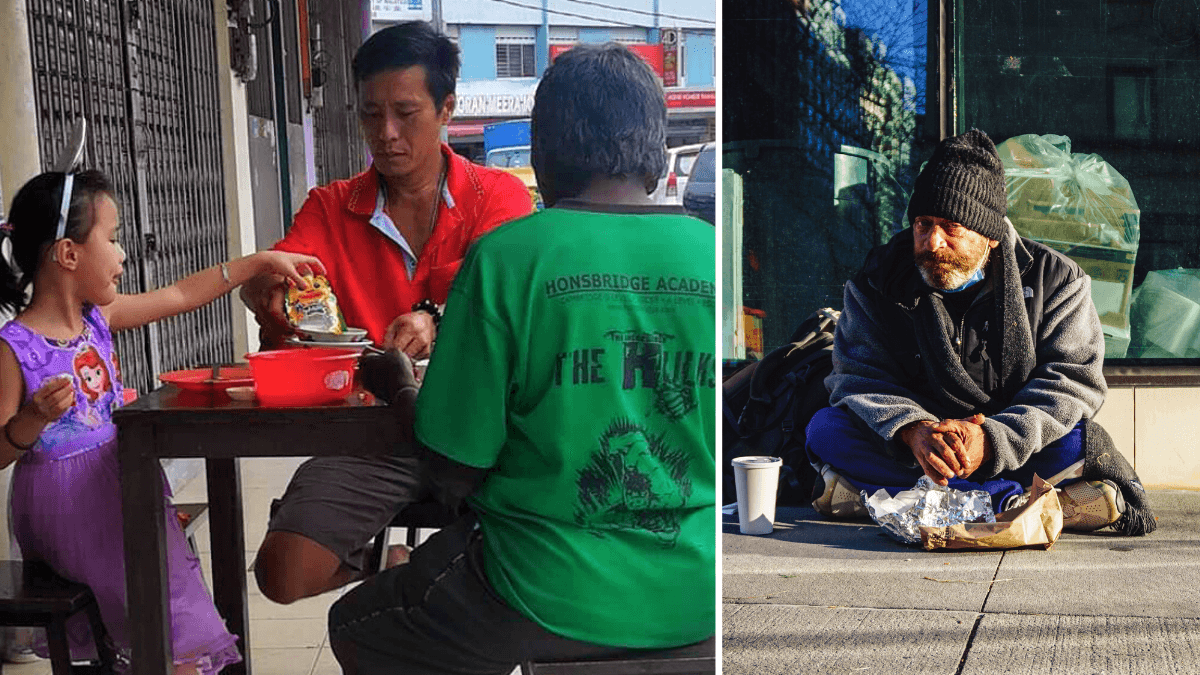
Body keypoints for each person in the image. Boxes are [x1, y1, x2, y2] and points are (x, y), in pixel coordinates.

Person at [327, 43, 717, 674]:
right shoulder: (710, 253)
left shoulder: (510, 258)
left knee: (357, 624)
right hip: (701, 593)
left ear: (543, 149)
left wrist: (401, 387)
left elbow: (456, 466)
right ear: (653, 144)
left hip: (542, 590)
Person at [243, 20, 533, 605]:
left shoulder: (499, 197)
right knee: (281, 573)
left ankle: (435, 587)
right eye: (371, 114)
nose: (387, 133)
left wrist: (436, 318)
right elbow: (286, 272)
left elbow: (502, 299)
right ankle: (396, 567)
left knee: (525, 566)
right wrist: (269, 296)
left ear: (447, 107)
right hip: (375, 435)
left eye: (406, 113)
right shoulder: (330, 208)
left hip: (487, 434)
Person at [0, 169, 325, 673]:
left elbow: (177, 295)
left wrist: (260, 262)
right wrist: (33, 417)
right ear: (68, 255)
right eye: (112, 238)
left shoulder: (97, 318)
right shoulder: (15, 345)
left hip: (118, 481)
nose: (123, 253)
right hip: (64, 501)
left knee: (158, 600)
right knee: (169, 609)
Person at [806, 129, 1155, 536]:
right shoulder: (877, 280)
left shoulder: (1057, 280)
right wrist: (912, 430)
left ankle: (891, 497)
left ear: (989, 235)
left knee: (1080, 441)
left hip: (1008, 444)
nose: (932, 242)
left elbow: (1071, 382)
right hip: (917, 450)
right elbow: (857, 375)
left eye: (951, 226)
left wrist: (989, 440)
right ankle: (1008, 500)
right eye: (923, 224)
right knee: (826, 429)